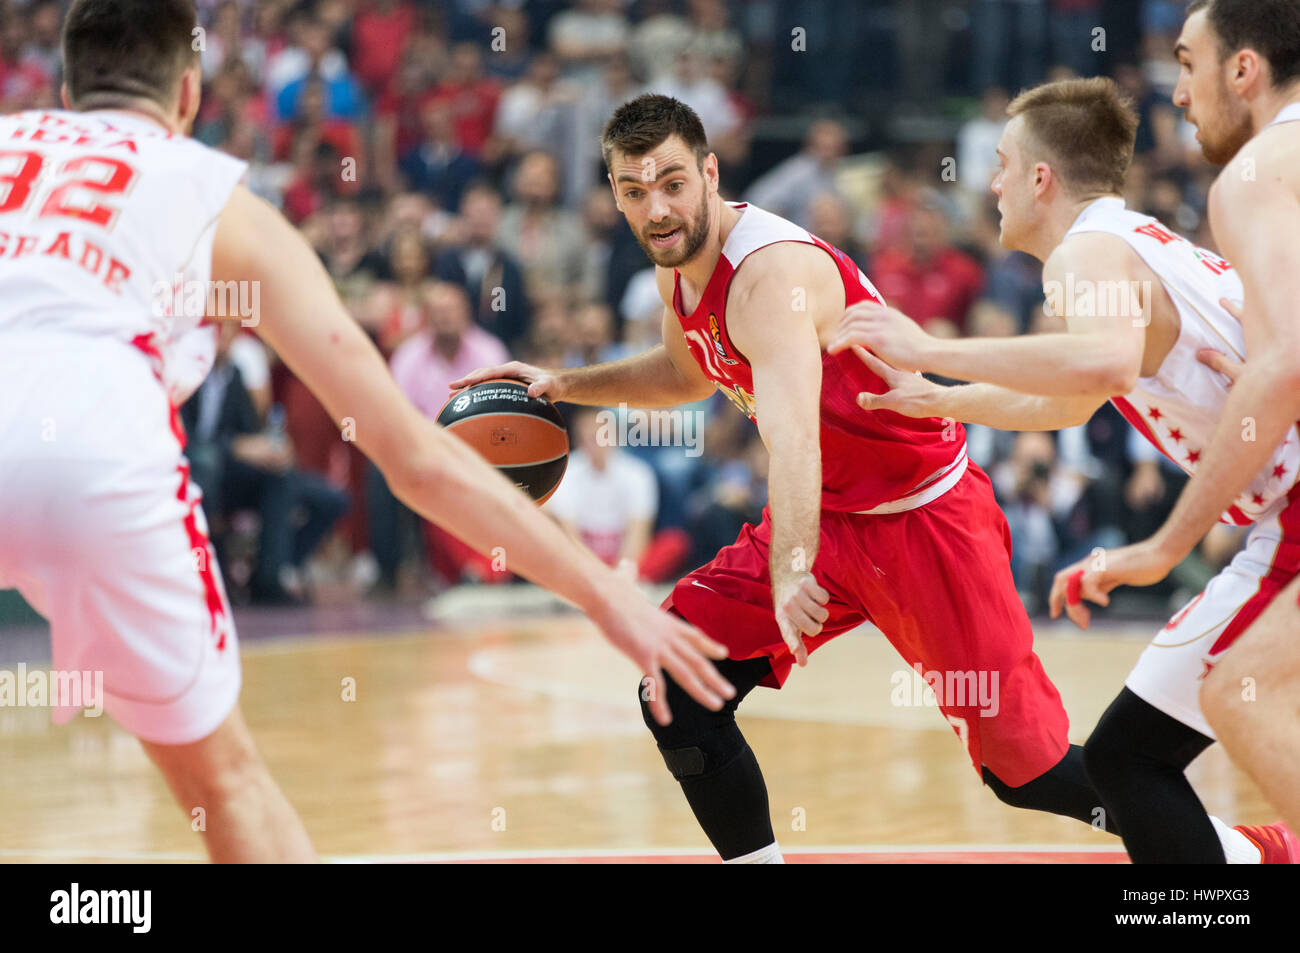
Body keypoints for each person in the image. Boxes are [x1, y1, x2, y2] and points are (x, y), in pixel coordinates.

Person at [0, 0, 733, 864]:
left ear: (59, 87)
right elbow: (413, 458)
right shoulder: (208, 193)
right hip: (100, 460)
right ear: (190, 94)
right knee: (226, 786)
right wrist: (609, 597)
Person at [456, 94, 1126, 864]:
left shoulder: (767, 277)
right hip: (828, 516)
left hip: (922, 518)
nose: (658, 208)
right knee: (676, 686)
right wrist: (563, 385)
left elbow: (794, 438)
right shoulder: (679, 268)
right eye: (635, 191)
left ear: (710, 173)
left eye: (672, 183)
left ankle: (1228, 853)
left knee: (1026, 770)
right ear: (614, 193)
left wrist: (791, 568)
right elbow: (684, 374)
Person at [831, 76, 1295, 863]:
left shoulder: (1083, 252)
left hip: (1289, 515)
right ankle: (1255, 859)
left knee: (1128, 760)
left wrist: (930, 348)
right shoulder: (1126, 239)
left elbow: (1106, 364)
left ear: (1041, 178)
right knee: (1128, 758)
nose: (991, 182)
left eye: (1003, 164)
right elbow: (1070, 400)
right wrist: (937, 399)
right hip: (1275, 519)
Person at [1047, 0, 1300, 837]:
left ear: (1244, 69)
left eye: (1187, 65)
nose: (1179, 95)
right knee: (1142, 748)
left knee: (1237, 694)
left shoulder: (1260, 172)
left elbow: (1282, 366)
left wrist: (1162, 547)